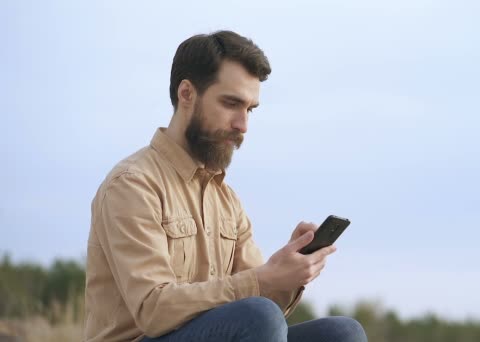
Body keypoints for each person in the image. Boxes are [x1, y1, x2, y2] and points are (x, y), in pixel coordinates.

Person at [84, 30, 367, 342]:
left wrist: (287, 273)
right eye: (231, 103)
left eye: (250, 109)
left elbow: (262, 305)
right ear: (187, 94)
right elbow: (153, 309)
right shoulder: (133, 185)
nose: (242, 125)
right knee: (259, 317)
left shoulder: (226, 200)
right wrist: (261, 279)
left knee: (342, 333)